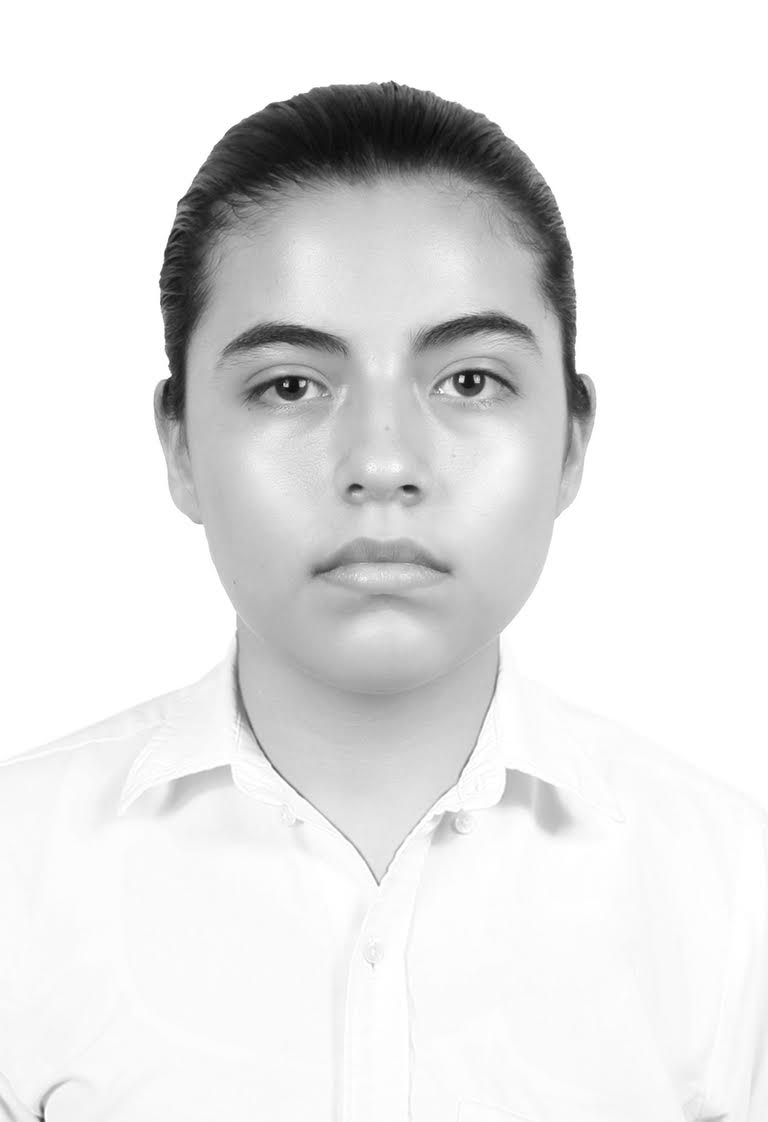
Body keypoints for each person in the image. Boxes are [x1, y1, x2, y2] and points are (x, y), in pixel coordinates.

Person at [1, 80, 766, 1122]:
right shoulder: (18, 877)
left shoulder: (734, 900)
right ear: (179, 446)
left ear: (571, 442)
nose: (383, 462)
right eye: (289, 385)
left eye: (469, 381)